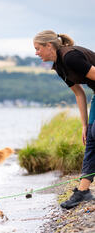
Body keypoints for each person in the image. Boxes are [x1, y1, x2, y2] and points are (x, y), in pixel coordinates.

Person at [33, 30, 95, 209]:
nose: (36, 53)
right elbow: (79, 93)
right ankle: (83, 192)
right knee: (90, 138)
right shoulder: (59, 66)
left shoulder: (70, 58)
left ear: (49, 46)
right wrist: (84, 124)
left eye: (38, 48)